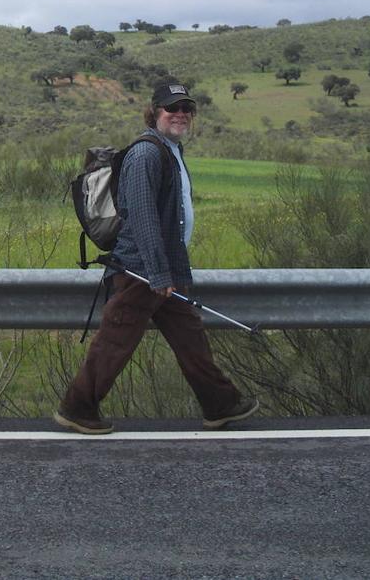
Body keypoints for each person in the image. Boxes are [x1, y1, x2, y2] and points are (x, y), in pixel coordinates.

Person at [56, 81, 258, 434]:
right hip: (140, 271)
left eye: (186, 109)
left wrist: (173, 271)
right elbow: (143, 217)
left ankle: (221, 403)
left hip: (161, 269)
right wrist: (159, 273)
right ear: (155, 113)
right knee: (115, 342)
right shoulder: (146, 154)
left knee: (189, 335)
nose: (180, 115)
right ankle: (78, 408)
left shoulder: (170, 150)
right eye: (172, 108)